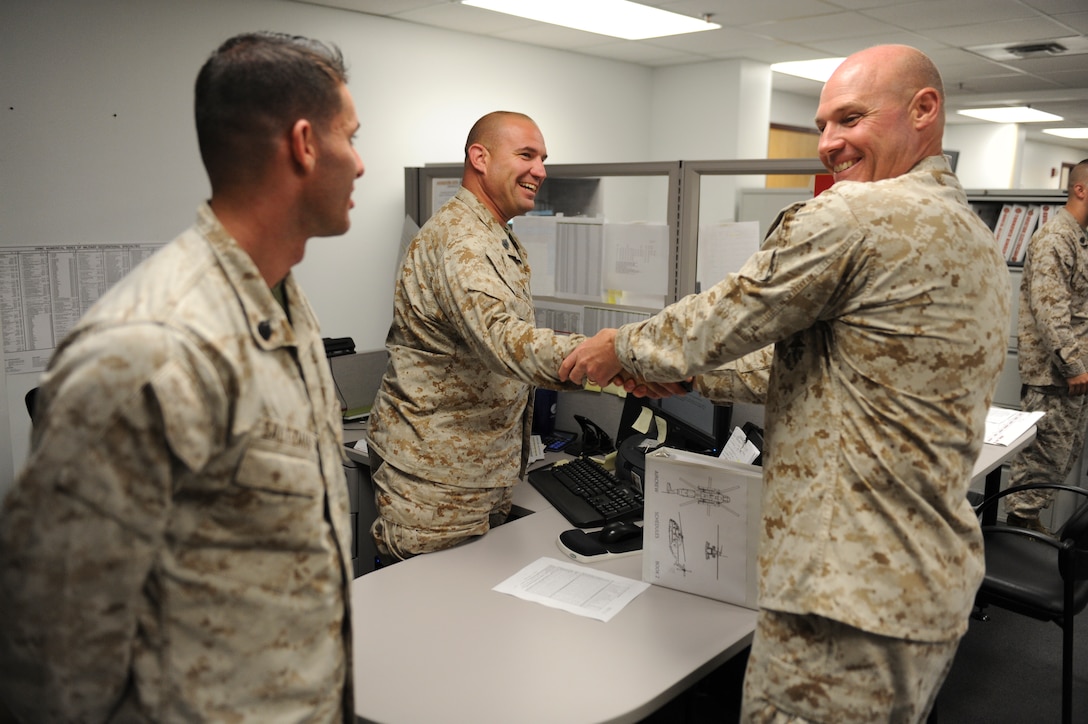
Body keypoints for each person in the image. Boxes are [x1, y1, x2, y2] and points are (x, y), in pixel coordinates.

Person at [560, 45, 1010, 723]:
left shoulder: (858, 216)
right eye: (822, 124)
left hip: (840, 598)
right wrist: (689, 376)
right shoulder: (974, 239)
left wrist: (617, 347)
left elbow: (718, 319)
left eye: (851, 118)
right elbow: (828, 368)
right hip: (919, 585)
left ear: (925, 110)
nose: (830, 143)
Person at [0, 32, 363, 722]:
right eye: (351, 135)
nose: (363, 163)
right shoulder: (152, 347)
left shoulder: (283, 303)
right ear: (304, 144)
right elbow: (50, 654)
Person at [366, 111, 597, 561]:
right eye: (526, 155)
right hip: (437, 479)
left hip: (472, 469)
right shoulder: (463, 240)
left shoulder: (493, 235)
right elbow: (505, 341)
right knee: (434, 615)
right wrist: (611, 356)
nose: (541, 171)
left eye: (543, 158)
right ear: (480, 158)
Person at [1004, 159, 1088, 533]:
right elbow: (1050, 311)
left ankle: (1025, 529)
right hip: (1055, 377)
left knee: (1058, 460)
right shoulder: (1056, 237)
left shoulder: (1079, 239)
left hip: (1072, 375)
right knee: (1039, 465)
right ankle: (1018, 536)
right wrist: (1074, 365)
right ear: (1080, 189)